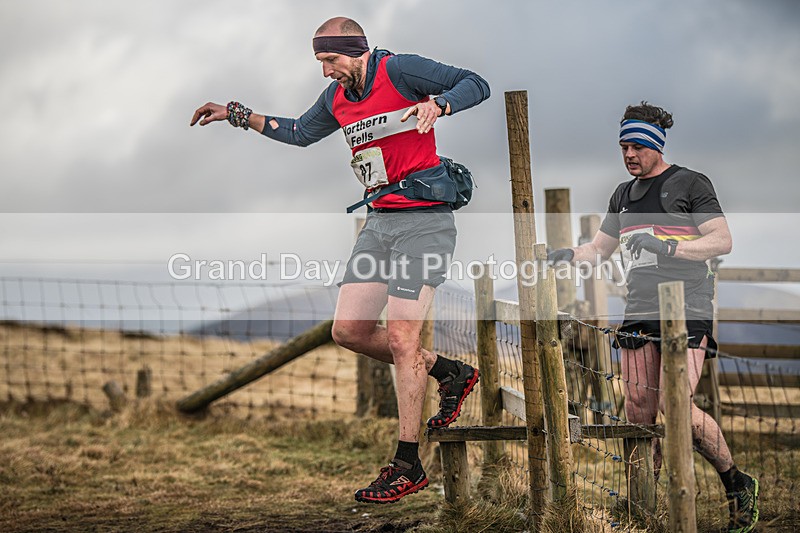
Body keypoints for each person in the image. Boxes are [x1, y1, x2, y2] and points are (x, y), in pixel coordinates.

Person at [190, 17, 488, 504]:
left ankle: (407, 463)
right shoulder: (337, 99)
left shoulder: (402, 70)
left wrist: (441, 103)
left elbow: (477, 82)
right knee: (347, 330)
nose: (326, 72)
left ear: (356, 51)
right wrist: (237, 114)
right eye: (320, 63)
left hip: (425, 222)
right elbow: (299, 132)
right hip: (379, 223)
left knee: (400, 337)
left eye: (331, 60)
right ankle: (448, 372)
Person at [548, 102, 758, 532]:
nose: (628, 154)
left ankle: (737, 484)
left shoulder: (690, 183)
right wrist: (567, 255)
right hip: (639, 309)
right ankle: (641, 505)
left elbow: (722, 241)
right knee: (638, 409)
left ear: (655, 145)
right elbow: (600, 250)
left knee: (673, 403)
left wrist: (670, 247)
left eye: (636, 146)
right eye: (623, 146)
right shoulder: (622, 196)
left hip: (688, 307)